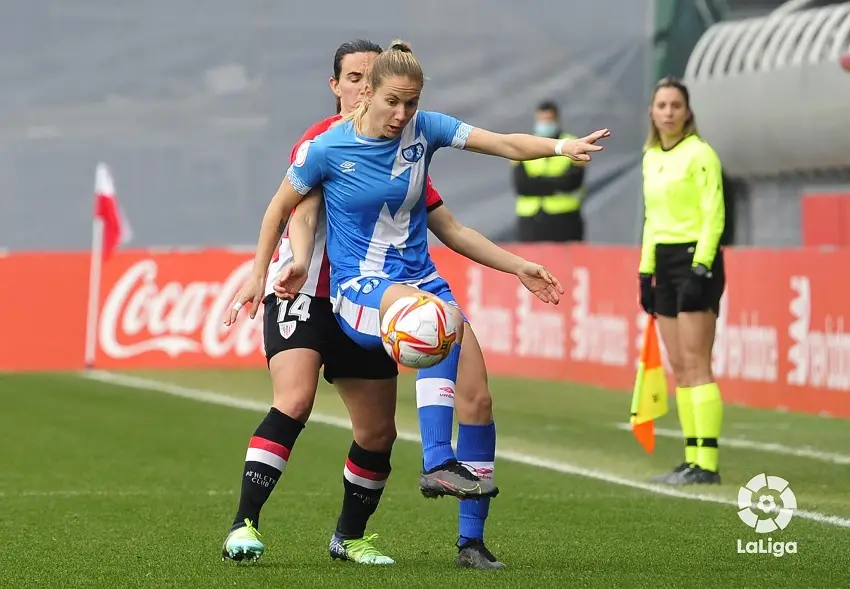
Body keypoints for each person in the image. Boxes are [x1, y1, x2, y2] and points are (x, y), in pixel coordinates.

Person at [260, 38, 605, 554]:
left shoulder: (427, 133)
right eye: (392, 101)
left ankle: (472, 541)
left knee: (478, 397)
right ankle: (437, 460)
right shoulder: (327, 147)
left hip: (422, 284)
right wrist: (280, 268)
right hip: (360, 290)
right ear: (367, 93)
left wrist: (558, 152)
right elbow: (286, 210)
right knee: (433, 320)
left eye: (412, 102)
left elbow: (500, 152)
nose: (402, 113)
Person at [221, 39, 500, 570]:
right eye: (353, 78)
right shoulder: (322, 141)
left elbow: (441, 221)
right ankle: (244, 524)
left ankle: (349, 537)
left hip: (375, 300)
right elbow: (298, 211)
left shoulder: (404, 145)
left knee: (377, 431)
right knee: (296, 398)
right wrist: (289, 263)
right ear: (338, 86)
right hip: (305, 293)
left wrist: (510, 263)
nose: (363, 89)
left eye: (371, 80)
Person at [637, 77, 725, 486]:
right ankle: (692, 458)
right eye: (662, 105)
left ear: (687, 112)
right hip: (665, 263)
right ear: (653, 111)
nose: (668, 112)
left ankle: (706, 461)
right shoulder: (651, 155)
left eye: (676, 105)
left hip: (694, 260)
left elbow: (714, 214)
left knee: (697, 362)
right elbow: (653, 218)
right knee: (679, 366)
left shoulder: (700, 154)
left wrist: (702, 267)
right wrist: (645, 271)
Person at [512, 100, 588, 243]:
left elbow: (572, 182)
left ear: (557, 119)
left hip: (565, 218)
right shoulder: (523, 144)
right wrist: (555, 183)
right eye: (541, 120)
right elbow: (522, 185)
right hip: (531, 219)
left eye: (548, 120)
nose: (544, 124)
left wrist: (537, 182)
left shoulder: (574, 144)